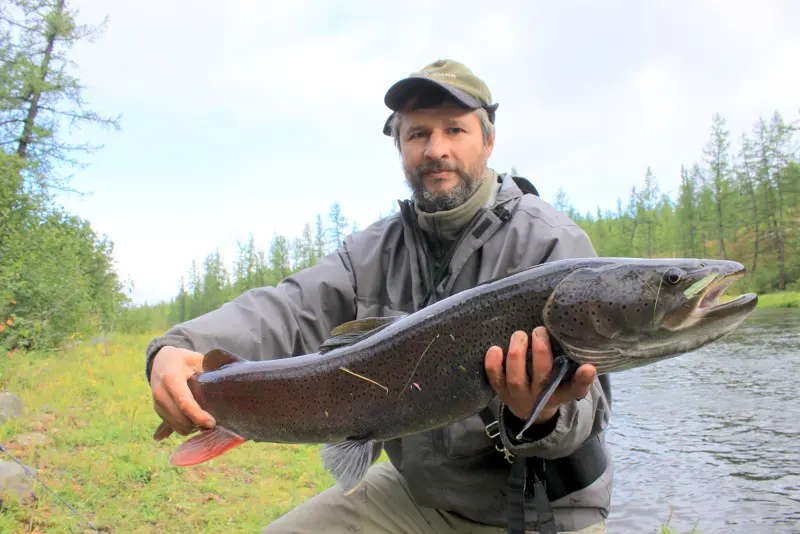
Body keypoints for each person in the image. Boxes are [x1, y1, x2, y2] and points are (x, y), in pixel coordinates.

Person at [145, 59, 613, 534]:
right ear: (399, 146)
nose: (436, 150)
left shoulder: (552, 245)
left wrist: (541, 413)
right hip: (419, 496)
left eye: (455, 130)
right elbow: (287, 308)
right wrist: (179, 346)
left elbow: (591, 405)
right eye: (417, 135)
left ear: (488, 141)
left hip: (543, 509)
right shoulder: (371, 252)